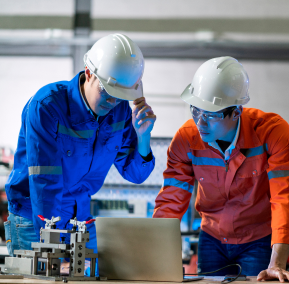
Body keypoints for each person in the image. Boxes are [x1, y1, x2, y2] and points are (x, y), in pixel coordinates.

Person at [5, 34, 156, 261]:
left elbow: (136, 174)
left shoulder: (121, 111)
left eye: (120, 96)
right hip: (34, 217)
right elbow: (46, 184)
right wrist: (52, 249)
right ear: (89, 73)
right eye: (108, 92)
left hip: (80, 218)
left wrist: (143, 137)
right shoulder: (47, 107)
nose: (112, 103)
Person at [153, 56, 289, 281]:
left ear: (236, 112)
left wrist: (277, 261)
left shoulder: (272, 133)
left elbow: (283, 198)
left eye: (210, 115)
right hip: (212, 239)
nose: (200, 122)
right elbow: (171, 198)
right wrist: (154, 253)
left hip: (259, 240)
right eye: (195, 110)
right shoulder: (186, 139)